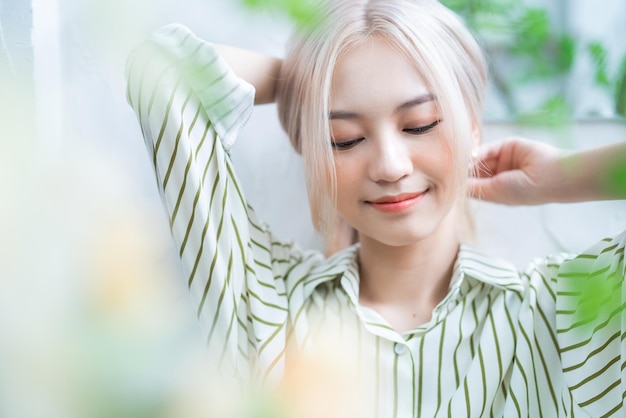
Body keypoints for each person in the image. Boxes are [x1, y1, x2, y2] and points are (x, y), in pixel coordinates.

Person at [125, 0, 626, 416]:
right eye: (344, 138)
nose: (389, 165)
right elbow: (163, 71)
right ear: (312, 148)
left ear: (472, 125)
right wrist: (310, 78)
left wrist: (566, 176)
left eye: (421, 124)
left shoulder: (561, 315)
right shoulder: (266, 304)